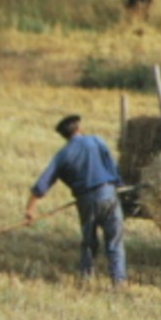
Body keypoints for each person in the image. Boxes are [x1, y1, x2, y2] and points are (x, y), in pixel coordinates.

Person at [25, 114, 127, 287]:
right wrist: (120, 185)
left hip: (86, 200)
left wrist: (30, 209)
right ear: (79, 128)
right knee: (114, 241)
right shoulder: (97, 141)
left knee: (89, 242)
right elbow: (113, 167)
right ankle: (119, 281)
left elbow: (44, 183)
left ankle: (86, 277)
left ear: (64, 135)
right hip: (109, 195)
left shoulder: (63, 154)